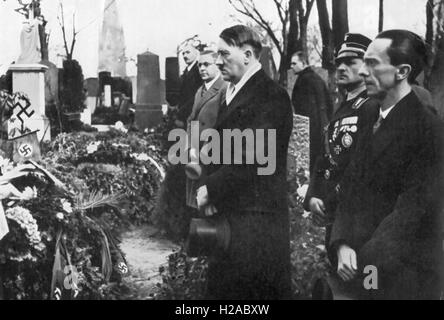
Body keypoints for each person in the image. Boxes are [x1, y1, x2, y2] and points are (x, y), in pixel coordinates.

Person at [329, 30, 444, 300]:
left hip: (405, 275)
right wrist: (342, 242)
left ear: (402, 71)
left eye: (372, 63)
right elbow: (350, 186)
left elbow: (411, 212)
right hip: (362, 265)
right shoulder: (370, 115)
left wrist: (360, 259)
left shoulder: (429, 129)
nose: (364, 72)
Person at [196, 25, 293, 300]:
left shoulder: (270, 95)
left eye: (224, 54)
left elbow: (255, 157)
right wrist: (211, 187)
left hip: (256, 224)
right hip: (233, 215)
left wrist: (210, 188)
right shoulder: (234, 91)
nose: (217, 61)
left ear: (248, 54)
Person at [303, 33, 379, 261]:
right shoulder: (343, 105)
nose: (342, 68)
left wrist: (327, 200)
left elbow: (361, 166)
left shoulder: (371, 106)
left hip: (357, 217)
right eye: (339, 63)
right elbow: (324, 157)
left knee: (363, 282)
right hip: (333, 212)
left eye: (351, 62)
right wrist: (312, 196)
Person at [185, 50, 227, 209]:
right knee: (195, 200)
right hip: (196, 151)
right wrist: (190, 147)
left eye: (206, 64)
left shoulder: (224, 88)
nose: (202, 68)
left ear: (217, 65)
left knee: (209, 199)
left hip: (212, 151)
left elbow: (223, 123)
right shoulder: (200, 90)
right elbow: (191, 120)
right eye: (199, 65)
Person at [291, 52, 333, 174]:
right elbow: (329, 103)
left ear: (303, 63)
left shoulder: (304, 80)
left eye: (294, 63)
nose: (292, 66)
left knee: (310, 163)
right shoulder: (317, 78)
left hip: (309, 128)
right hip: (321, 126)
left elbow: (304, 108)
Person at [175, 44, 203, 128]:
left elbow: (199, 94)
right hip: (184, 115)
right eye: (183, 53)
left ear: (196, 53)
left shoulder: (199, 70)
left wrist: (182, 111)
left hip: (194, 114)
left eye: (188, 52)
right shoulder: (185, 72)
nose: (185, 56)